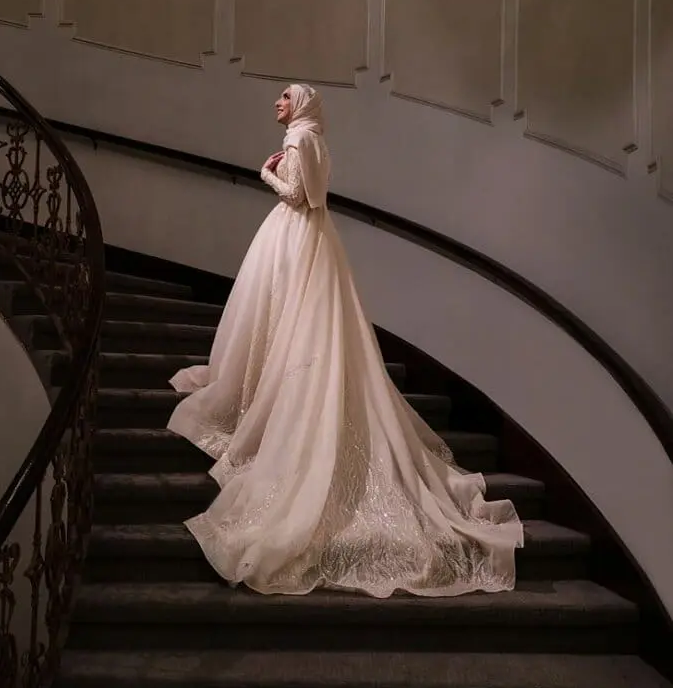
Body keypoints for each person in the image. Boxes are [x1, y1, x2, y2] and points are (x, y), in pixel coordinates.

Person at [167, 83, 523, 598]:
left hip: (294, 235)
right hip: (314, 240)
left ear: (302, 105)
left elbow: (298, 196)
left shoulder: (297, 142)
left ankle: (266, 399)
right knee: (296, 323)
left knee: (282, 319)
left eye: (284, 97)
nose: (277, 104)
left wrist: (265, 172)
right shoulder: (315, 139)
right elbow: (318, 196)